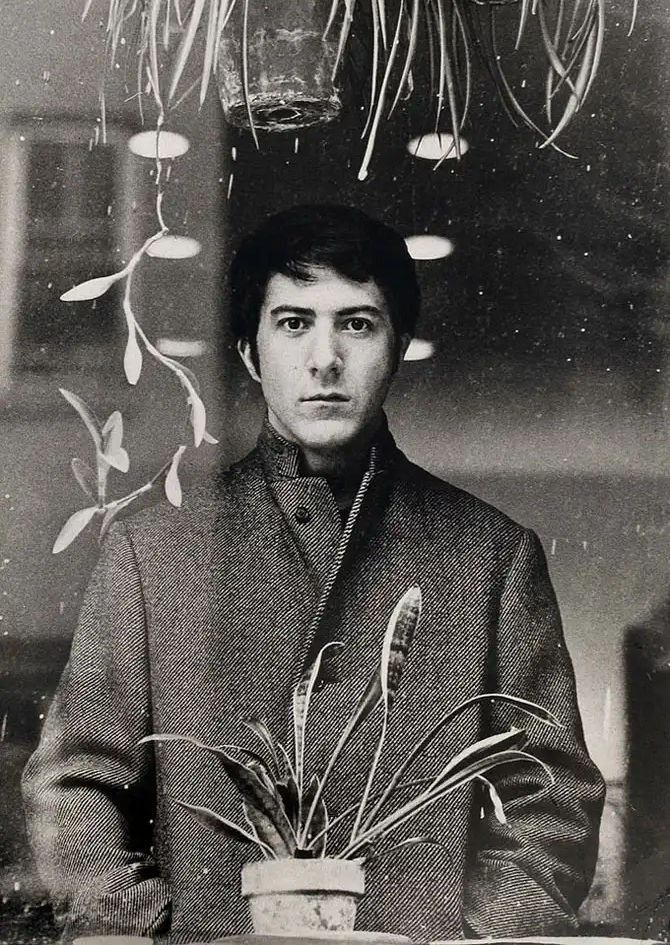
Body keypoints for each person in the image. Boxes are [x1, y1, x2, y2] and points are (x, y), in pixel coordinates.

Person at [22, 204, 604, 943]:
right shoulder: (153, 549)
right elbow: (77, 784)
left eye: (357, 324)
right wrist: (151, 934)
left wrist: (469, 939)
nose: (325, 358)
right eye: (294, 323)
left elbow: (552, 801)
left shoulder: (490, 555)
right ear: (249, 352)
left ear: (397, 347)